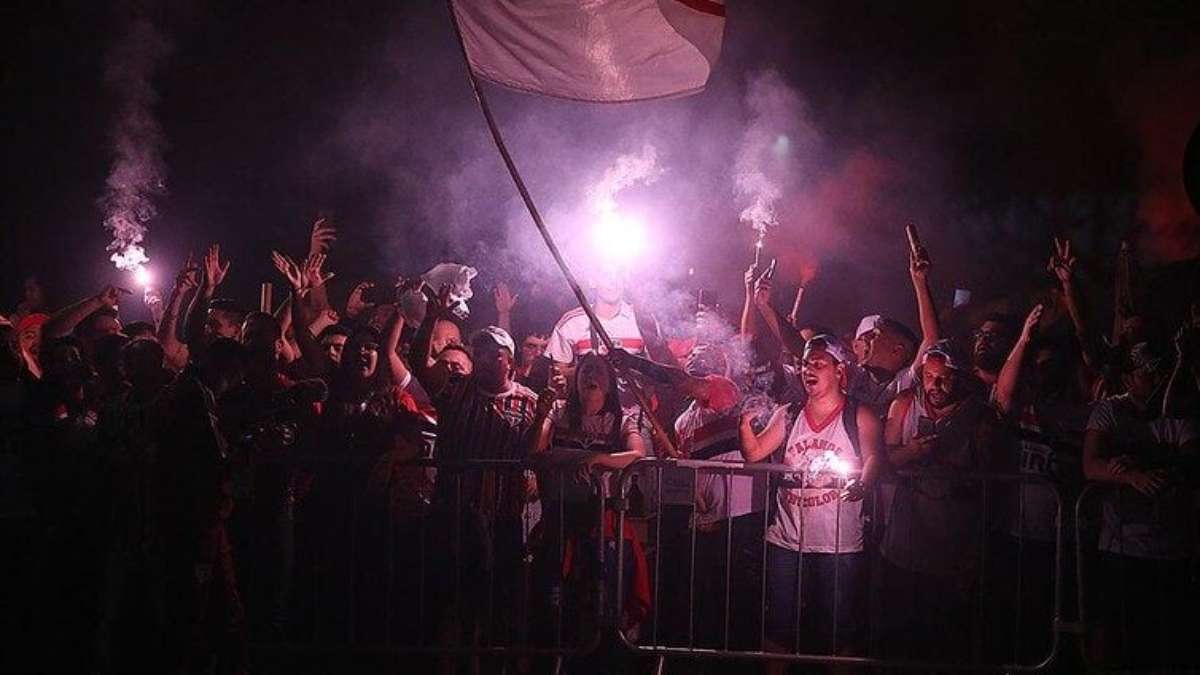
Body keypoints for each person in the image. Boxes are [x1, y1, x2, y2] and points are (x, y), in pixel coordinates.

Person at [739, 336, 882, 664]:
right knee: (778, 626)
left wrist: (864, 482)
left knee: (839, 631)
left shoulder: (858, 415)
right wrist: (745, 425)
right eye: (805, 363)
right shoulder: (789, 415)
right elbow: (755, 453)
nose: (809, 369)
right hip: (786, 540)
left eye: (819, 363)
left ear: (839, 370)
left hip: (839, 543)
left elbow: (875, 456)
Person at [878, 339, 997, 662]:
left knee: (947, 637)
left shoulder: (979, 416)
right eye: (929, 377)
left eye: (944, 377)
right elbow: (885, 459)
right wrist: (912, 452)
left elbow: (989, 476)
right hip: (905, 541)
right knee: (902, 632)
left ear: (959, 376)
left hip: (952, 543)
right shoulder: (903, 404)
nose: (936, 385)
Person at [1081, 342, 1198, 667]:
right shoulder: (1109, 410)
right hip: (1121, 544)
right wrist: (1130, 477)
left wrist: (1139, 462)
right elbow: (1091, 465)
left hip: (1171, 546)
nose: (1156, 377)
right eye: (1146, 373)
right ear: (1129, 378)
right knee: (1111, 631)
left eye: (1158, 371)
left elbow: (1190, 460)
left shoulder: (1179, 413)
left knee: (1165, 638)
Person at [529, 352, 651, 640]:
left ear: (610, 383)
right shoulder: (558, 412)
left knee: (601, 599)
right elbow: (534, 452)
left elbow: (638, 454)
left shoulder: (622, 420)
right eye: (585, 371)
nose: (590, 376)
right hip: (560, 515)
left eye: (598, 371)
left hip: (603, 520)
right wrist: (539, 416)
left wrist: (596, 459)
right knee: (558, 598)